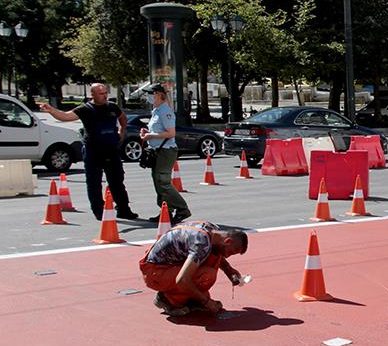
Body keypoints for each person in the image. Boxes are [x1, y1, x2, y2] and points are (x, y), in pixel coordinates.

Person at [39, 83, 139, 221]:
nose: (104, 96)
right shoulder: (85, 109)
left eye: (105, 93)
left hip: (111, 150)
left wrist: (122, 132)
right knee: (94, 182)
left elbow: (122, 117)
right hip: (93, 151)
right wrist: (51, 110)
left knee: (117, 181)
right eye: (101, 93)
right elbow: (65, 116)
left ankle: (124, 209)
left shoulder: (112, 107)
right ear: (92, 94)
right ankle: (99, 211)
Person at [140, 221, 248, 316]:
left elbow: (215, 252)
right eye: (231, 252)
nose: (228, 256)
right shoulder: (201, 243)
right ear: (227, 241)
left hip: (162, 264)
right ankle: (168, 299)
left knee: (214, 255)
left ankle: (191, 299)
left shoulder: (212, 231)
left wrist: (228, 269)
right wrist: (207, 302)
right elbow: (182, 280)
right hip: (155, 272)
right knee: (206, 275)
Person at [141, 84, 191, 224]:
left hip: (166, 151)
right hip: (158, 150)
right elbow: (158, 130)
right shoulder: (156, 110)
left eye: (150, 94)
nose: (148, 97)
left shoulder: (165, 111)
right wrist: (147, 133)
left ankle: (182, 209)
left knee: (163, 182)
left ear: (158, 94)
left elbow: (171, 133)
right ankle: (165, 211)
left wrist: (150, 136)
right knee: (158, 181)